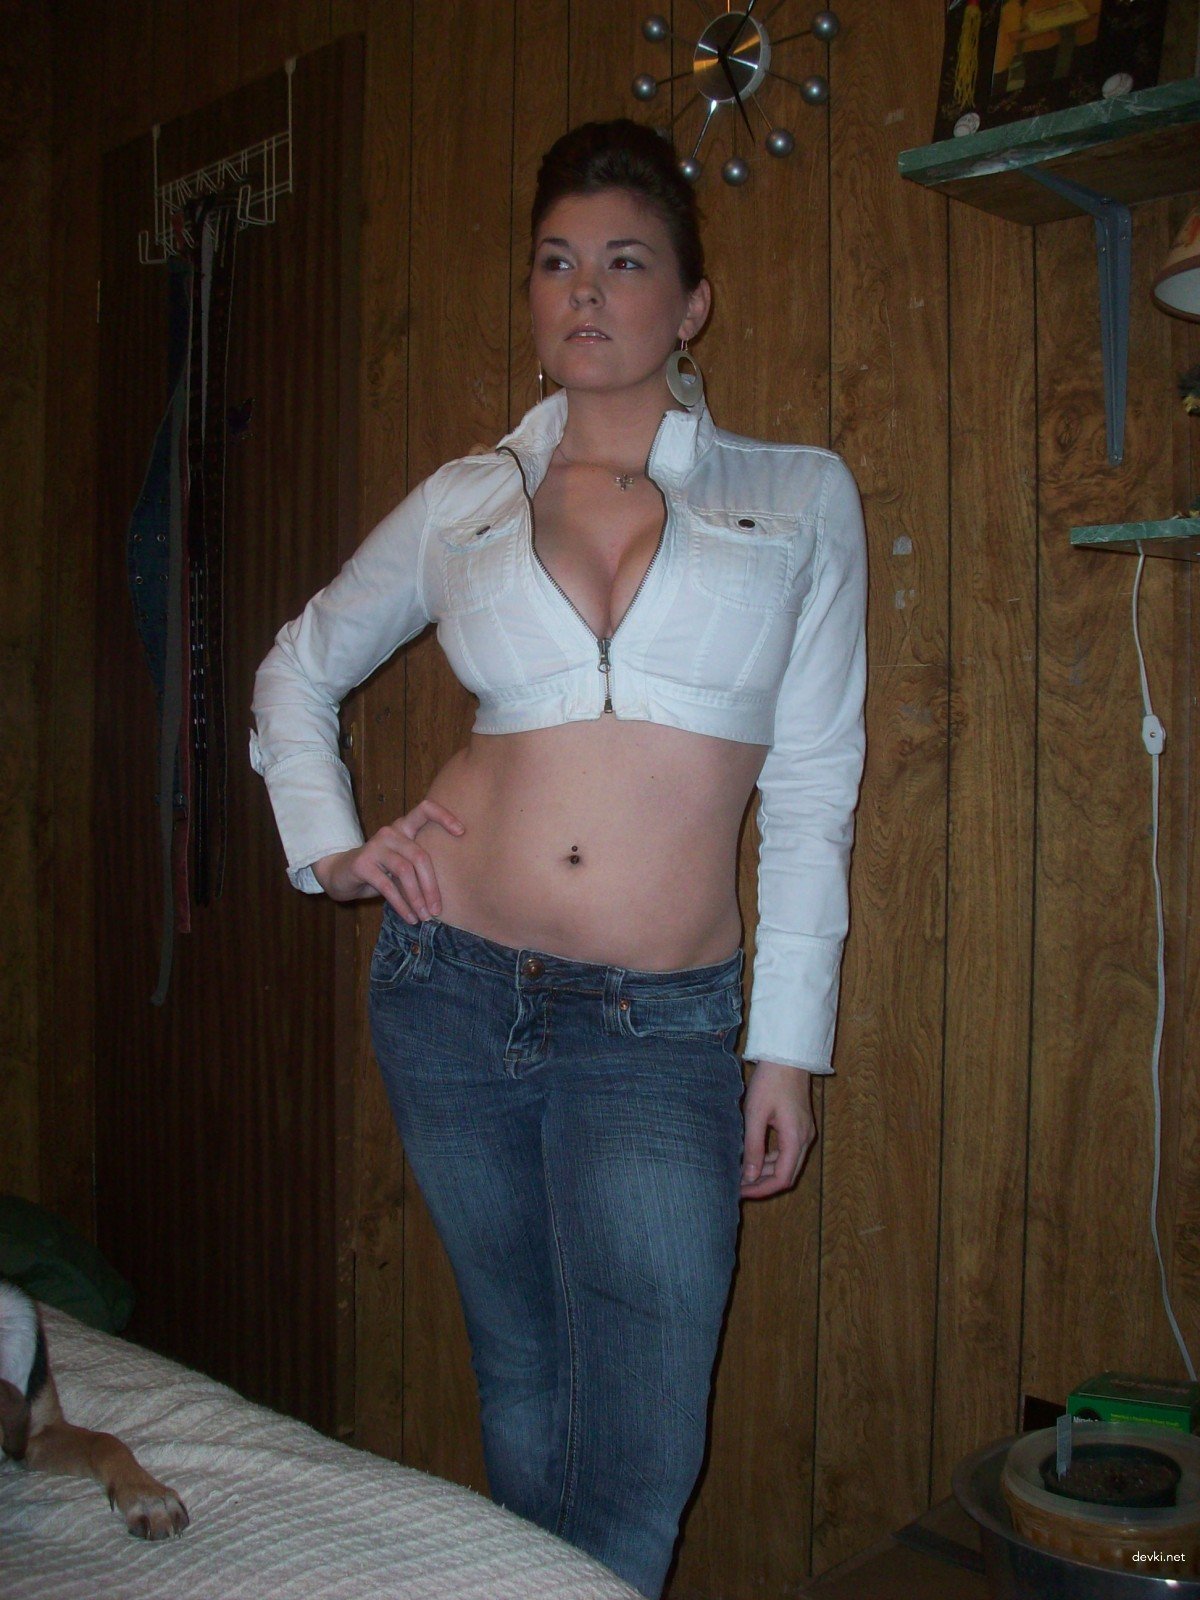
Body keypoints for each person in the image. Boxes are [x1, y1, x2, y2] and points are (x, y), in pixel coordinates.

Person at [251, 119, 866, 1599]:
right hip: (453, 989)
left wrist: (786, 1051)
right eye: (556, 261)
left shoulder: (797, 495)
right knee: (522, 1378)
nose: (585, 291)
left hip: (660, 1026)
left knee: (644, 1445)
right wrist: (332, 853)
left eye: (627, 262)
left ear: (692, 303)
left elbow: (814, 786)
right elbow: (298, 667)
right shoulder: (465, 499)